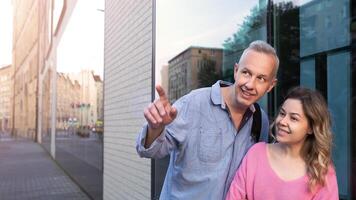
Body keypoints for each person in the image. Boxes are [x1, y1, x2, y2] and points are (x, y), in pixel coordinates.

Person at [136, 40, 279, 199]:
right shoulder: (193, 103)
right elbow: (150, 151)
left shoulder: (261, 121)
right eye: (246, 73)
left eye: (261, 78)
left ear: (271, 86)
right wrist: (155, 128)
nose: (250, 84)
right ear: (236, 70)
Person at [226, 87, 339, 200]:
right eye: (282, 113)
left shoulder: (322, 170)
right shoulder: (256, 154)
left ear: (310, 128)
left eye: (293, 118)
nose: (282, 121)